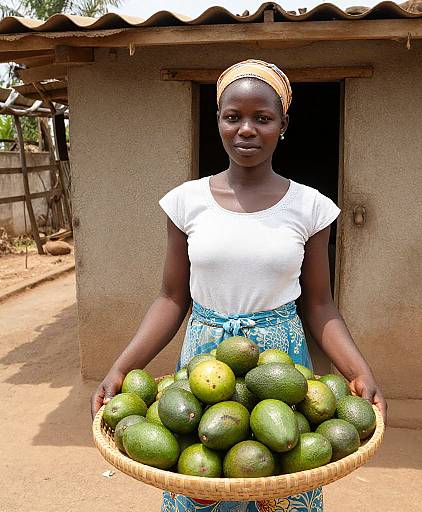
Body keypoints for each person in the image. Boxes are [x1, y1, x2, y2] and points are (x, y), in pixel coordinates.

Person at [91, 59, 387, 512]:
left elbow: (321, 306)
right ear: (218, 121)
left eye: (262, 118)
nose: (246, 129)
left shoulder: (311, 207)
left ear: (282, 124)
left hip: (282, 364)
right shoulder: (185, 202)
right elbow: (171, 298)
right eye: (233, 116)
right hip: (205, 364)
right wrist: (120, 367)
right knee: (203, 477)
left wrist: (358, 371)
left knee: (282, 478)